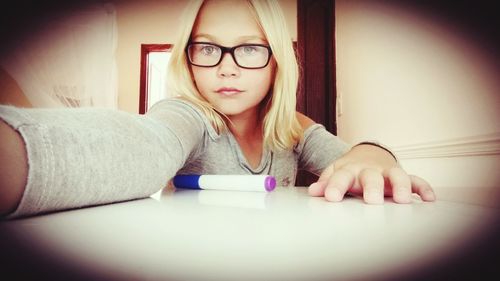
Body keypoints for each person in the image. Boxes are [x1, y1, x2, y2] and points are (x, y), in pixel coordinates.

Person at [0, 0, 435, 219]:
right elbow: (145, 145)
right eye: (207, 48)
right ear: (188, 57)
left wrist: (372, 158)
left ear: (276, 61)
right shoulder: (187, 115)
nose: (226, 67)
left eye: (248, 49)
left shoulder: (290, 128)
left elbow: (352, 162)